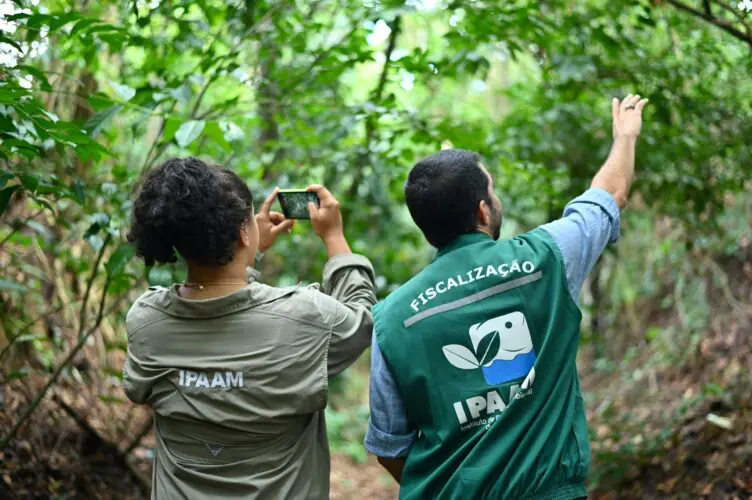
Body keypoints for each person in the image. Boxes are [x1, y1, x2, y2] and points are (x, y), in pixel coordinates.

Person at [364, 95, 650, 499]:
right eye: (492, 192)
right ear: (483, 211)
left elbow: (389, 446)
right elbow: (609, 194)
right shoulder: (546, 259)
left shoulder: (392, 319)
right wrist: (625, 137)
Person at [122, 157, 376, 499]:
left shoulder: (146, 322)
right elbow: (362, 319)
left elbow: (223, 308)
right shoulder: (305, 318)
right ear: (244, 231)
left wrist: (244, 255)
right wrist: (333, 236)